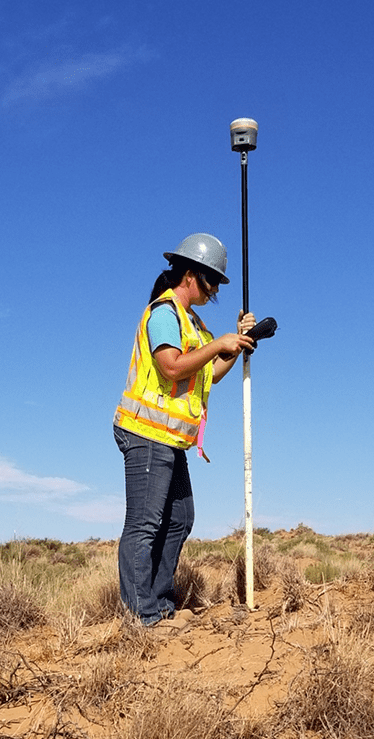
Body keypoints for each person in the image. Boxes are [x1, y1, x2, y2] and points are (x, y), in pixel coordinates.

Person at [113, 233, 256, 626]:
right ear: (191, 274)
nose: (213, 292)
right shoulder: (164, 313)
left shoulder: (194, 323)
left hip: (171, 440)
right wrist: (218, 344)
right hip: (145, 433)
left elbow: (209, 374)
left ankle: (159, 603)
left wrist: (238, 342)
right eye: (211, 283)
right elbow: (171, 366)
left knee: (180, 519)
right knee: (143, 525)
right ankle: (140, 616)